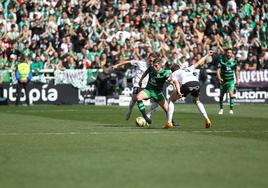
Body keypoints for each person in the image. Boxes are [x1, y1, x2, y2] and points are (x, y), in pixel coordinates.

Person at [164, 51, 214, 129]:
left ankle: (169, 122)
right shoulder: (187, 69)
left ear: (172, 70)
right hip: (196, 83)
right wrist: (207, 55)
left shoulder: (174, 73)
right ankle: (207, 119)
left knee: (171, 100)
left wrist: (179, 91)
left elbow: (176, 82)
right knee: (197, 101)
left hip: (187, 84)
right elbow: (199, 63)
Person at [112, 54, 158, 120]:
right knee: (134, 99)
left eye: (153, 61)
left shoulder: (154, 67)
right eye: (150, 60)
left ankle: (148, 114)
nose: (151, 62)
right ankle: (129, 111)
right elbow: (128, 61)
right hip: (137, 85)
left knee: (157, 101)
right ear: (148, 58)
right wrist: (117, 65)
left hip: (147, 87)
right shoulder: (140, 63)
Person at [136, 55, 172, 125]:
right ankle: (145, 117)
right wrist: (140, 80)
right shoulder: (151, 68)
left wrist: (172, 82)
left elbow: (170, 79)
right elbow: (145, 73)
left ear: (160, 65)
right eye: (154, 65)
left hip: (158, 93)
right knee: (138, 97)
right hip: (148, 90)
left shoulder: (165, 72)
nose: (154, 67)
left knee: (168, 110)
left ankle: (172, 122)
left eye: (156, 66)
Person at [216, 48, 240, 115]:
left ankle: (231, 109)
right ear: (226, 53)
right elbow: (218, 70)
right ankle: (221, 109)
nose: (229, 54)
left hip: (231, 81)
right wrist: (219, 78)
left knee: (231, 94)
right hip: (223, 81)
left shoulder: (234, 62)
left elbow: (236, 71)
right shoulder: (222, 61)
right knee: (221, 96)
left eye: (230, 52)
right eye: (228, 52)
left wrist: (237, 80)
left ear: (232, 54)